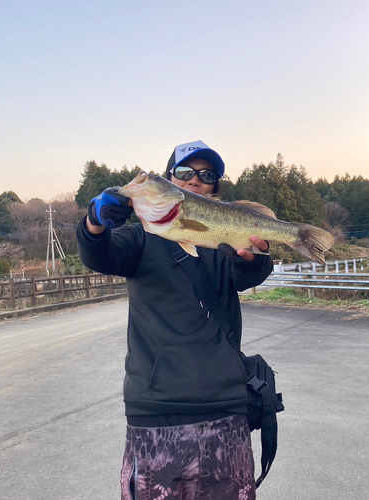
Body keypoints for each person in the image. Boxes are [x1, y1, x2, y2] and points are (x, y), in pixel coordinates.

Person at [76, 140, 273, 500]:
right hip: (155, 412)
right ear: (170, 180)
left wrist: (251, 257)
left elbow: (251, 273)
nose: (195, 181)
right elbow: (98, 255)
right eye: (184, 173)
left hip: (226, 410)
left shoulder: (222, 243)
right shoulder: (137, 239)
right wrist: (94, 223)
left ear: (215, 188)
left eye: (207, 175)